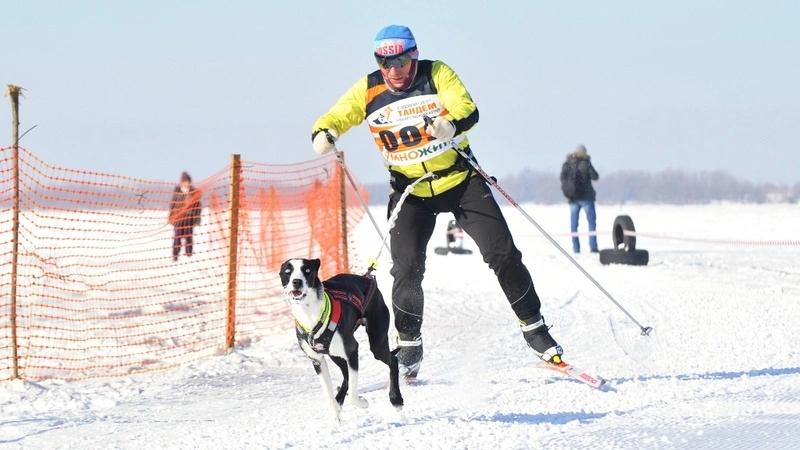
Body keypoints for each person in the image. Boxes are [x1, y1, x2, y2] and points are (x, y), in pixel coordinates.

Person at [310, 25, 563, 379]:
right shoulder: (368, 88)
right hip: (410, 192)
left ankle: (534, 327)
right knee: (407, 267)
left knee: (502, 253)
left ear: (413, 55)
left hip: (460, 182)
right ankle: (410, 341)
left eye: (399, 60)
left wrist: (450, 123)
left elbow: (466, 106)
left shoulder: (436, 73)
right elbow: (340, 114)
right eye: (384, 62)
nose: (393, 69)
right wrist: (325, 131)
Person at [560, 144, 600, 253]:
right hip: (587, 198)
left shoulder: (567, 164)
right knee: (591, 223)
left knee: (574, 225)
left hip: (573, 198)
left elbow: (562, 178)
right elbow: (595, 176)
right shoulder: (586, 163)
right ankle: (593, 247)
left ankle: (576, 248)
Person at [169, 171, 202, 261]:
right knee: (177, 237)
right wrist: (171, 217)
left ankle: (189, 254)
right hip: (178, 218)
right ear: (182, 182)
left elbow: (198, 206)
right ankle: (175, 255)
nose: (186, 184)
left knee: (188, 237)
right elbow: (173, 205)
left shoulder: (193, 193)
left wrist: (197, 219)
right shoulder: (177, 192)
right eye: (185, 182)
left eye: (188, 182)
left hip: (189, 218)